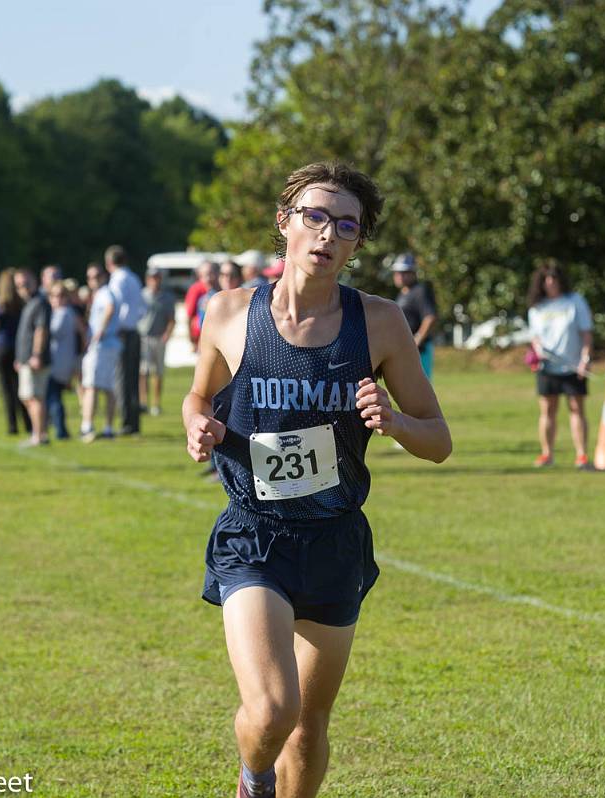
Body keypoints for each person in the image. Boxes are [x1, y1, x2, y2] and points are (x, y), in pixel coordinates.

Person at [183, 162, 451, 798]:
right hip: (255, 535)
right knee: (274, 710)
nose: (328, 234)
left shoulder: (380, 323)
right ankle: (253, 782)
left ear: (359, 244)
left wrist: (393, 421)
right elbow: (198, 396)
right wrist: (197, 426)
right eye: (316, 216)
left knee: (307, 727)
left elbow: (438, 439)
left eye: (347, 225)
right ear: (286, 224)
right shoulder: (227, 312)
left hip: (334, 539)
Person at [526, 259, 593, 469]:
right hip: (548, 367)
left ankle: (581, 455)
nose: (551, 282)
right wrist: (537, 350)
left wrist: (585, 358)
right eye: (546, 278)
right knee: (547, 410)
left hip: (573, 366)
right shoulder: (537, 307)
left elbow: (586, 333)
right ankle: (547, 454)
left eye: (554, 277)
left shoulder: (575, 301)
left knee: (576, 409)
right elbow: (534, 336)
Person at [106, 246, 145, 435]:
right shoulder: (134, 278)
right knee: (133, 379)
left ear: (109, 263)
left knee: (122, 379)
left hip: (122, 332)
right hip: (134, 331)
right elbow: (141, 307)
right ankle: (134, 421)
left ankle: (126, 421)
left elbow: (115, 305)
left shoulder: (117, 279)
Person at [0, 269, 31, 435]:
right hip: (18, 348)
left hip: (3, 348)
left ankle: (12, 426)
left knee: (7, 390)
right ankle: (28, 423)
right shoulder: (23, 303)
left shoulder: (1, 304)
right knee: (22, 388)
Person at [80, 264, 120, 443]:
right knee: (106, 387)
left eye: (96, 276)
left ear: (103, 276)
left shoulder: (105, 292)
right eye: (90, 277)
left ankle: (87, 426)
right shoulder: (99, 294)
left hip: (102, 346)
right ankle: (108, 427)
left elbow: (110, 308)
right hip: (107, 345)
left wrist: (99, 332)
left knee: (92, 386)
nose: (93, 280)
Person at [14, 269, 51, 446]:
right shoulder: (29, 303)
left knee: (35, 397)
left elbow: (40, 330)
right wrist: (19, 359)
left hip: (34, 360)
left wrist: (36, 354)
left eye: (26, 284)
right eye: (19, 285)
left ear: (35, 282)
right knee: (28, 397)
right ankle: (38, 433)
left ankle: (39, 435)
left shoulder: (40, 302)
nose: (23, 288)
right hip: (25, 360)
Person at [391, 253, 438, 380]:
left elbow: (430, 317)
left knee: (420, 386)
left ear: (413, 273)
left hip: (420, 350)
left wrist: (417, 339)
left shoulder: (420, 291)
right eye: (397, 272)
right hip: (406, 349)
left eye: (404, 272)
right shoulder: (403, 294)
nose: (399, 275)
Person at [47, 281, 83, 440]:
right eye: (55, 296)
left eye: (61, 296)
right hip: (63, 360)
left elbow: (51, 332)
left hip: (58, 361)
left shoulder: (62, 313)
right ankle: (59, 428)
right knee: (55, 396)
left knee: (53, 397)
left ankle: (61, 430)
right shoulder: (70, 313)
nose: (58, 299)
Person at [139, 265, 176, 417]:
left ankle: (155, 403)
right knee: (143, 372)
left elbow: (171, 320)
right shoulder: (141, 295)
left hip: (158, 338)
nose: (154, 280)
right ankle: (143, 402)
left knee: (157, 373)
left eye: (157, 277)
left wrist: (167, 334)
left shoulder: (167, 298)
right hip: (143, 338)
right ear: (147, 279)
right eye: (152, 278)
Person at [185, 260, 217, 351]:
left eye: (212, 273)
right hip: (200, 336)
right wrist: (191, 338)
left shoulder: (218, 289)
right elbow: (189, 315)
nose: (209, 278)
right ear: (200, 276)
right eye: (205, 274)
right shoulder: (196, 289)